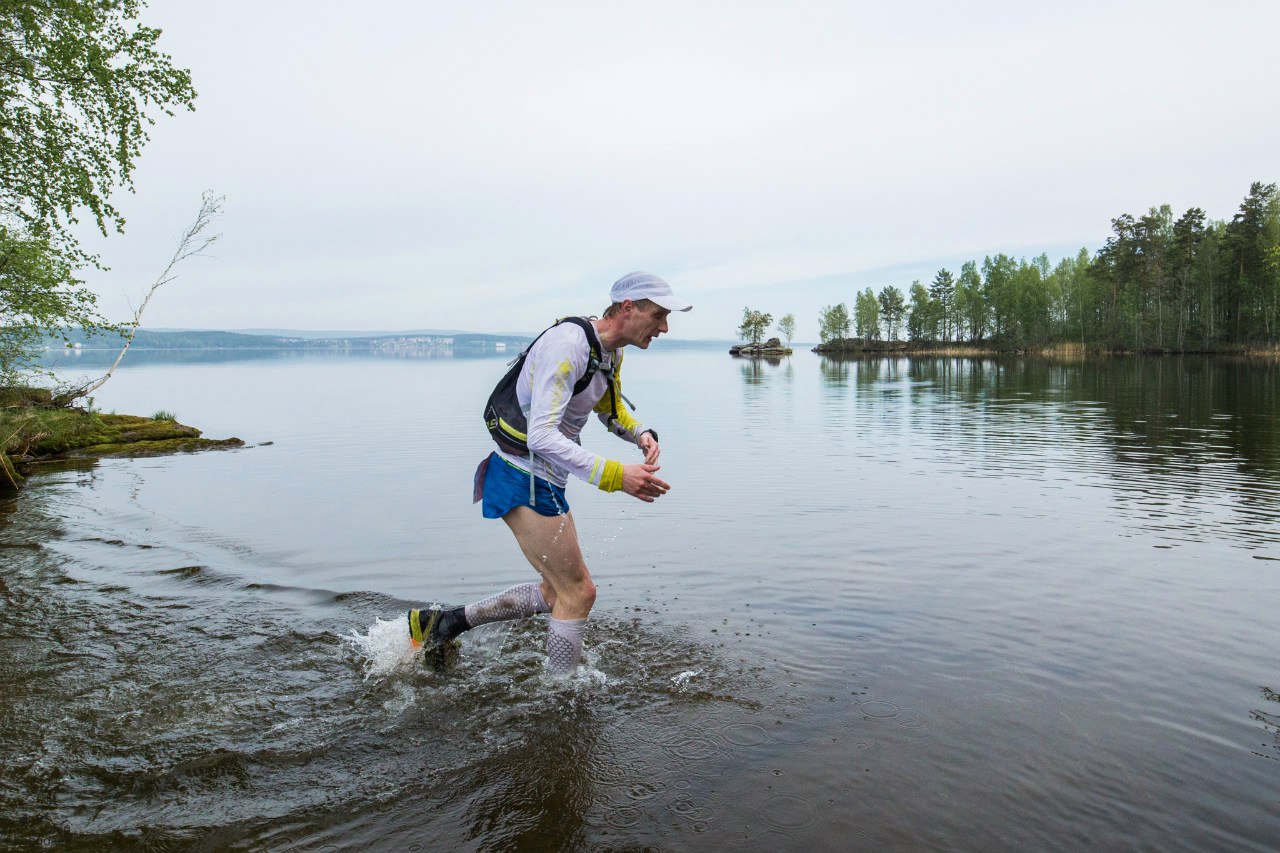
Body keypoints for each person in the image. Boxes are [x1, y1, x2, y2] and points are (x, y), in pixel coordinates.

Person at [409, 271, 692, 675]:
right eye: (659, 315)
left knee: (554, 590)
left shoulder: (610, 352)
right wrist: (615, 476)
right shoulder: (568, 346)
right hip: (520, 475)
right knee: (579, 592)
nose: (664, 327)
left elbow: (609, 409)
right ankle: (562, 693)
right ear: (628, 308)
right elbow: (541, 436)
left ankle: (444, 623)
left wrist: (640, 434)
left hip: (545, 477)